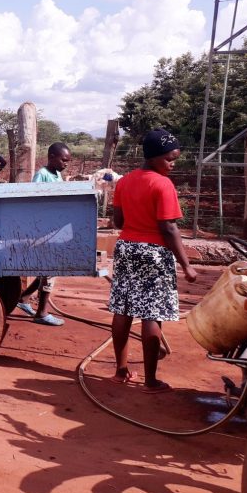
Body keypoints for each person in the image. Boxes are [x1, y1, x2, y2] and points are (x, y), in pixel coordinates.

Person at [108, 128, 197, 394]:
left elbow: (118, 221)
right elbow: (169, 228)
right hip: (154, 253)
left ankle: (120, 371)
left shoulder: (124, 182)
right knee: (152, 314)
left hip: (125, 248)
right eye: (169, 159)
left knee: (122, 308)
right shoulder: (162, 184)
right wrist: (186, 265)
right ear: (154, 157)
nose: (173, 164)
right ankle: (150, 381)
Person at [17, 142, 72, 326]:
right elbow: (34, 202)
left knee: (44, 272)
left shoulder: (57, 175)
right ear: (52, 157)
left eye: (68, 161)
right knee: (49, 270)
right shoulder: (42, 175)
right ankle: (41, 313)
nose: (66, 164)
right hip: (44, 231)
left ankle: (23, 298)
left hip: (54, 230)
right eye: (63, 160)